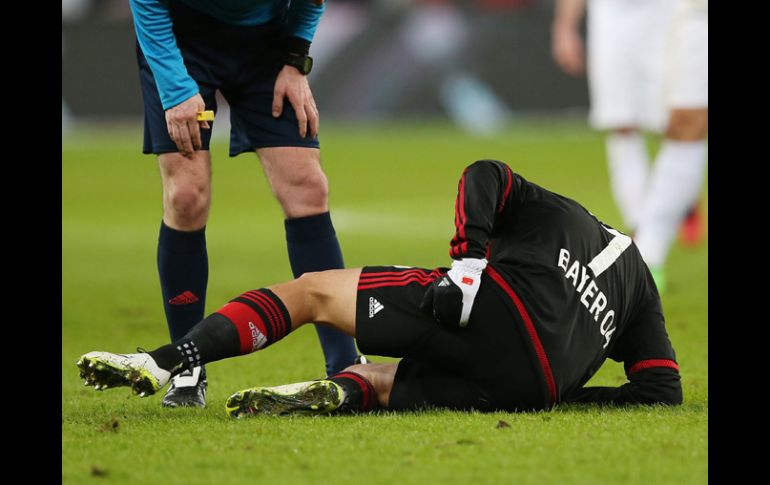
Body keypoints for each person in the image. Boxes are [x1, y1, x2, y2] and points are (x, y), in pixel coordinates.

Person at [78, 160, 682, 415]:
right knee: (382, 380)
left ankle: (165, 362)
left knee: (312, 292)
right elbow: (661, 390)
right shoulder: (641, 293)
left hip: (494, 307)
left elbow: (485, 174)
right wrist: (563, 397)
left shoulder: (558, 212)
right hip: (528, 385)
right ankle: (341, 393)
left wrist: (467, 270)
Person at [128, 0, 359, 408]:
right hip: (181, 41)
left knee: (307, 187)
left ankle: (345, 363)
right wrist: (176, 86)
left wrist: (294, 61)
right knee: (186, 195)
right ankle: (187, 370)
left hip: (265, 46)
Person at [552, 0, 707, 292]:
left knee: (674, 124)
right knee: (620, 122)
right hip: (610, 15)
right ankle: (644, 239)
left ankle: (674, 199)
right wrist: (565, 27)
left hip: (670, 12)